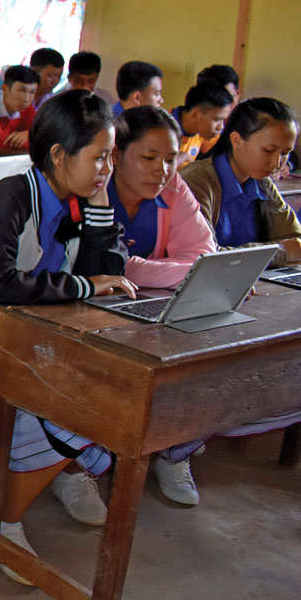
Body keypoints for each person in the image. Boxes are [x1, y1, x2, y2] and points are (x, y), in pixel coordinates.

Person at [0, 90, 135, 581]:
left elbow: (109, 275)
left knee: (103, 388)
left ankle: (54, 470)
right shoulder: (9, 194)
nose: (107, 168)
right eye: (99, 157)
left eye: (111, 156)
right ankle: (6, 524)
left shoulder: (78, 197)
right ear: (59, 156)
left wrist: (100, 207)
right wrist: (83, 283)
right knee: (79, 400)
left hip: (28, 334)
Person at [108, 105, 301, 506]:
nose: (162, 170)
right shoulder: (97, 187)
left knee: (223, 358)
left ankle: (175, 448)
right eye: (149, 158)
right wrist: (186, 272)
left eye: (171, 158)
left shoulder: (174, 186)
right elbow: (111, 264)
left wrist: (175, 271)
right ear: (115, 155)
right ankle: (80, 464)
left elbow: (204, 253)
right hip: (101, 307)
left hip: (161, 304)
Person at [180, 97, 301, 268]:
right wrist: (280, 252)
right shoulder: (197, 180)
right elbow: (205, 257)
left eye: (285, 153)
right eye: (269, 150)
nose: (277, 163)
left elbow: (296, 239)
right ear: (236, 140)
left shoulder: (261, 182)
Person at [172, 83, 234, 169]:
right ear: (195, 114)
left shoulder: (202, 132)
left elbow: (222, 156)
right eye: (217, 119)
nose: (221, 127)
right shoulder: (161, 126)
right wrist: (183, 157)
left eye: (223, 120)